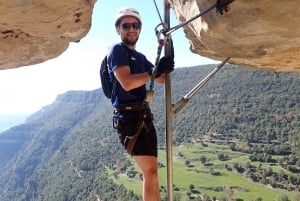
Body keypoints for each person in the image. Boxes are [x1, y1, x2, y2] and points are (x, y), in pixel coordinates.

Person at [107, 7, 174, 201]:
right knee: (150, 172)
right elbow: (126, 82)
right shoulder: (117, 50)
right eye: (126, 25)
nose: (131, 29)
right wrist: (154, 72)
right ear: (118, 29)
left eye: (135, 25)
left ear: (140, 29)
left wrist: (167, 58)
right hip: (129, 120)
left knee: (152, 172)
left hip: (142, 117)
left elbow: (160, 79)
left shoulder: (140, 57)